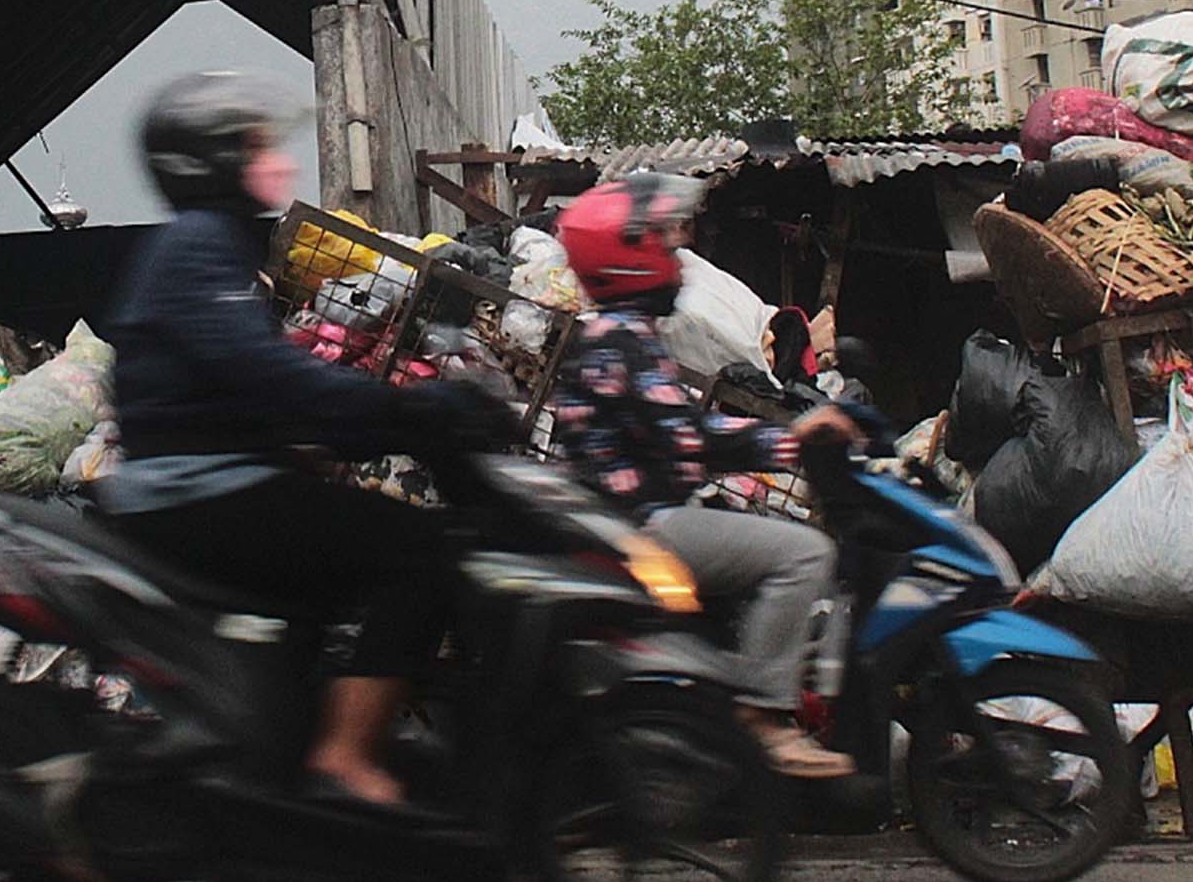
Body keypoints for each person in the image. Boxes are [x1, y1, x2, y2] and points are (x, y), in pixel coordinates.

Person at [95, 72, 503, 807]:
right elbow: (269, 375)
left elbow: (247, 385)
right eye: (250, 145)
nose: (268, 159)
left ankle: (285, 755)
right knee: (415, 553)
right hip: (196, 491)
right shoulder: (197, 247)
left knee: (329, 564)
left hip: (211, 477)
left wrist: (350, 427)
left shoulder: (210, 243)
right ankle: (343, 758)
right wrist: (409, 408)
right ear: (208, 161)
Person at [549, 174, 859, 780]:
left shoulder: (620, 333)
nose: (676, 259)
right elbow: (688, 437)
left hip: (631, 521)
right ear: (629, 256)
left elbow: (680, 430)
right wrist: (790, 440)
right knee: (804, 553)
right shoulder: (620, 340)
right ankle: (763, 716)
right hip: (641, 527)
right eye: (662, 244)